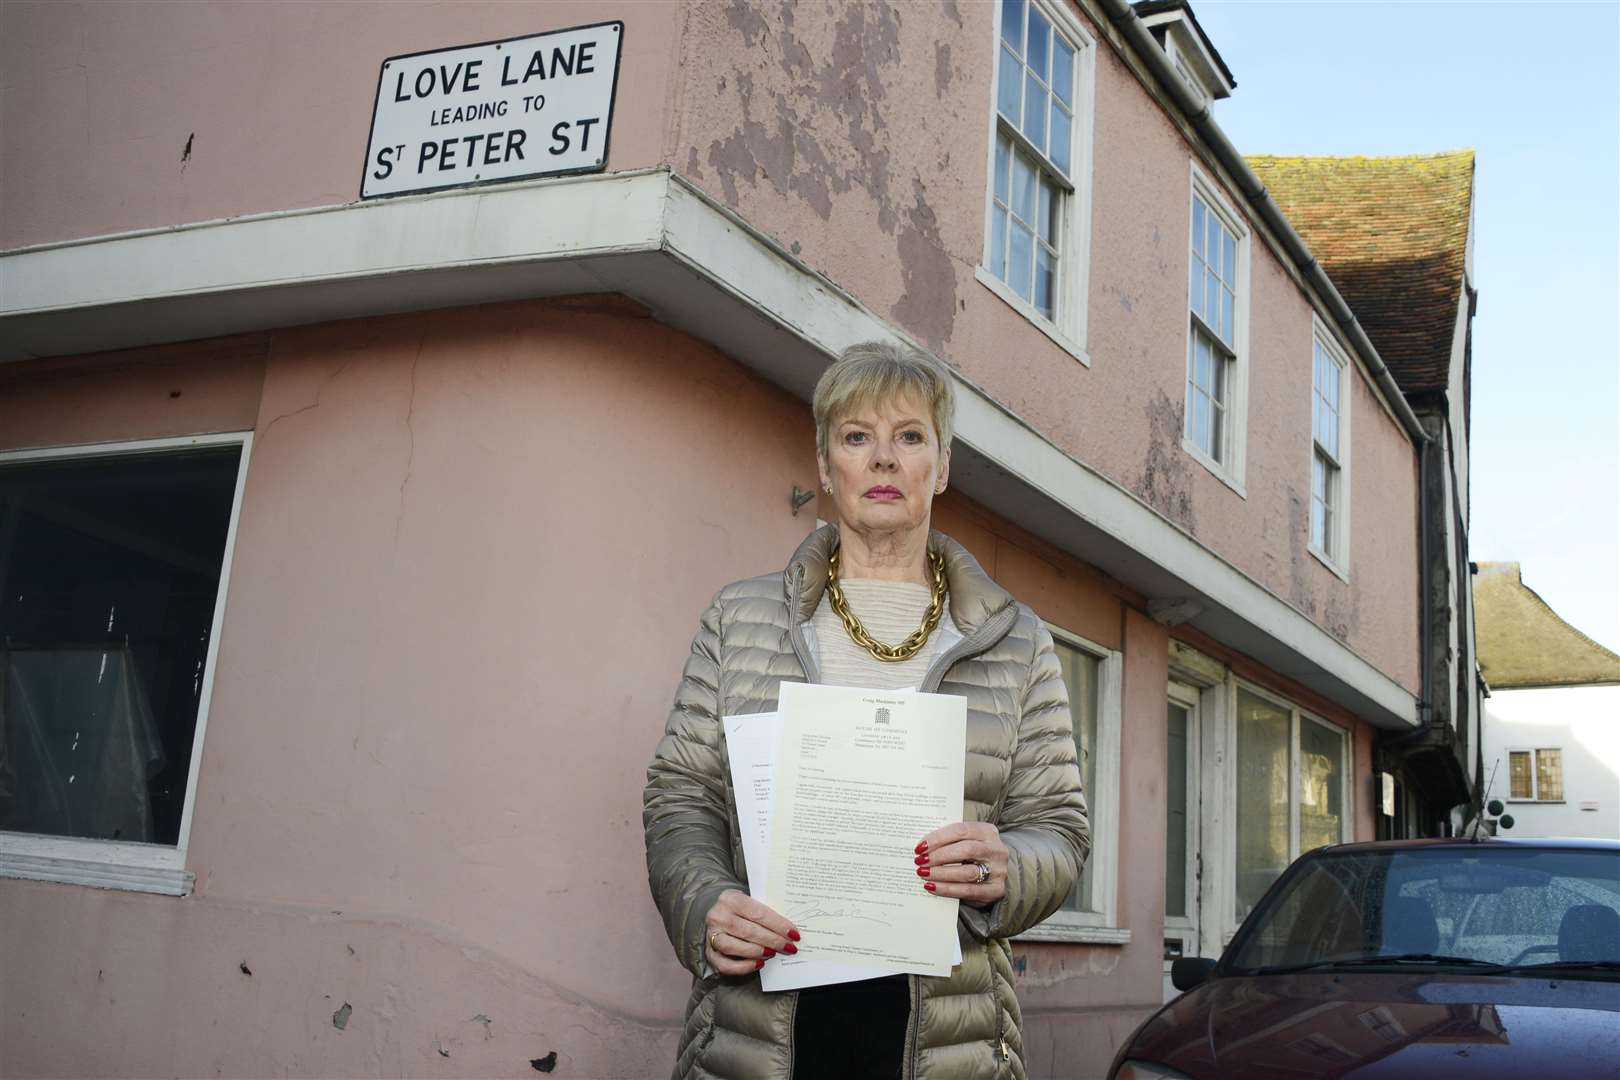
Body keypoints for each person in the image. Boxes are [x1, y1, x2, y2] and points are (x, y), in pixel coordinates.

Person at [643, 341, 1090, 1080]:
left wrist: (1009, 867)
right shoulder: (739, 617)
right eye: (857, 438)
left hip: (949, 1037)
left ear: (940, 467)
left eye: (909, 437)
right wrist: (704, 902)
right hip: (760, 1030)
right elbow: (681, 795)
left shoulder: (1018, 641)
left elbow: (1060, 831)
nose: (883, 460)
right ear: (826, 467)